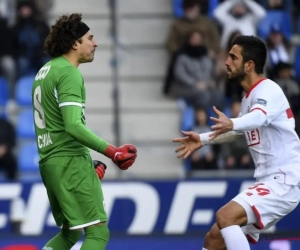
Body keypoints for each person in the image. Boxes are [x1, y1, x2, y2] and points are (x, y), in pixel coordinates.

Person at [173, 35, 300, 250]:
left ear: (249, 65)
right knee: (214, 239)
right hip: (267, 182)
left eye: (233, 57)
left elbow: (258, 118)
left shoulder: (268, 90)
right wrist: (202, 139)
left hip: (283, 182)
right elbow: (240, 130)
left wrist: (233, 122)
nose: (226, 62)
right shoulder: (248, 97)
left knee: (225, 216)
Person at [32, 13, 137, 250]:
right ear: (74, 43)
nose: (95, 43)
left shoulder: (44, 72)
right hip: (69, 162)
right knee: (98, 233)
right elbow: (72, 126)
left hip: (50, 162)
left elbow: (56, 126)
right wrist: (113, 152)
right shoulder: (69, 73)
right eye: (90, 38)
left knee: (70, 234)